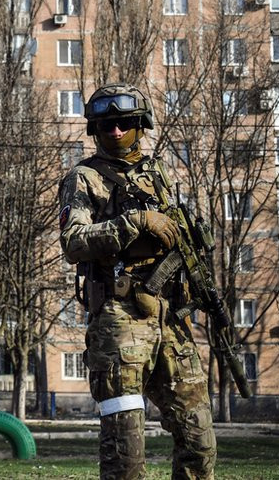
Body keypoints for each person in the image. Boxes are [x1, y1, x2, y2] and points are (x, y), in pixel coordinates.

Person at [58, 83, 216, 479]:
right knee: (125, 450)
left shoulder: (155, 173)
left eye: (124, 123)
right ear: (96, 128)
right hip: (119, 318)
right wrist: (136, 222)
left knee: (199, 439)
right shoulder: (84, 178)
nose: (115, 131)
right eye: (107, 124)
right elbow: (74, 242)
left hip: (169, 316)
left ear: (139, 125)